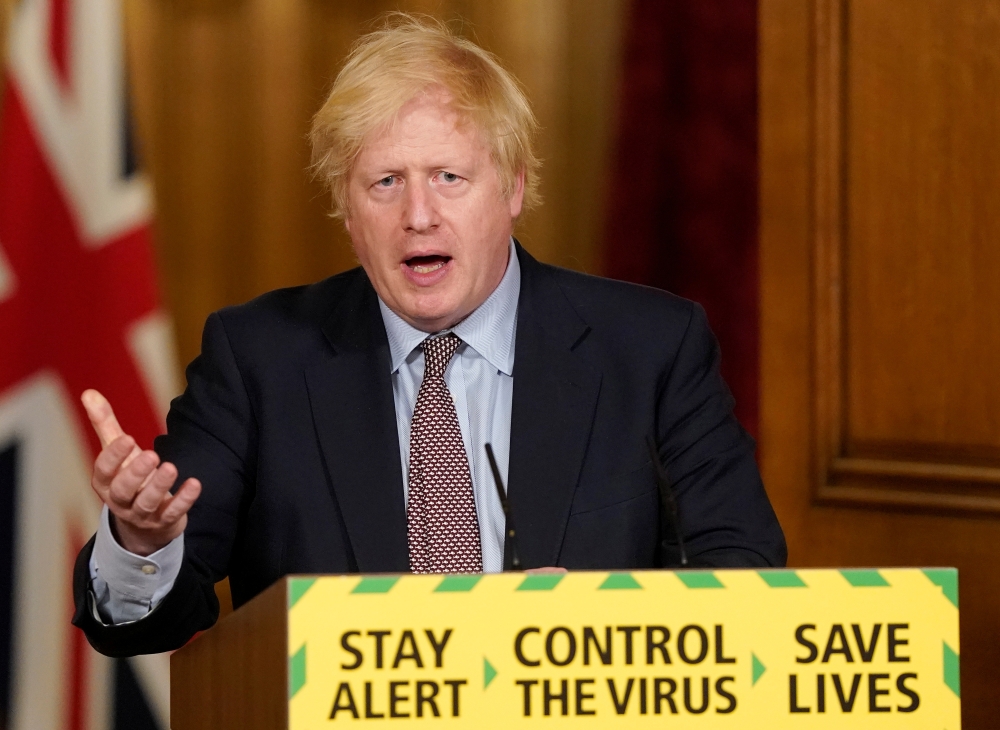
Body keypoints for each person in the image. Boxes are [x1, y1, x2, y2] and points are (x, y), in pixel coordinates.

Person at [72, 14, 785, 657]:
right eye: (384, 182)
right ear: (347, 213)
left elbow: (743, 575)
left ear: (512, 187)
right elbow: (150, 619)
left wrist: (597, 626)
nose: (418, 214)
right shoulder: (257, 360)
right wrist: (140, 542)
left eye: (449, 176)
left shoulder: (651, 349)